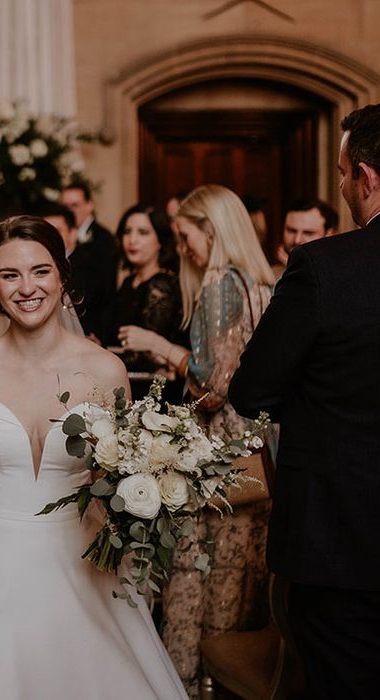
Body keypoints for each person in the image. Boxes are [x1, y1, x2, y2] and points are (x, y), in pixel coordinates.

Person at [0, 215, 188, 699]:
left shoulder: (107, 371)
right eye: (9, 275)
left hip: (83, 561)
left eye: (40, 271)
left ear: (63, 276)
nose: (27, 288)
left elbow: (124, 478)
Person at [229, 104, 380, 699]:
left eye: (343, 173)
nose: (342, 185)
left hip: (339, 534)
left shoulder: (324, 266)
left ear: (366, 178)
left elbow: (252, 388)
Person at [117, 184, 275, 696]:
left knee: (194, 576)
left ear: (212, 229)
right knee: (238, 575)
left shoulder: (220, 285)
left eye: (187, 237)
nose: (183, 248)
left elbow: (214, 385)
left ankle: (186, 684)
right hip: (258, 448)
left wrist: (163, 348)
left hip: (219, 451)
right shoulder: (260, 282)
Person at [105, 204, 182, 401]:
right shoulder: (129, 283)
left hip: (153, 395)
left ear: (160, 241)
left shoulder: (162, 285)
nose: (132, 240)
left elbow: (149, 358)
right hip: (126, 386)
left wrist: (99, 355)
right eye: (127, 232)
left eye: (143, 232)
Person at [41, 202, 110, 341]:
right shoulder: (39, 266)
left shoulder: (88, 267)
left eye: (56, 231)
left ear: (73, 234)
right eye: (44, 233)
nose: (48, 238)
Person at [60, 182, 118, 337]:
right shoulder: (61, 237)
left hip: (92, 324)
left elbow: (107, 292)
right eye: (65, 207)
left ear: (89, 205)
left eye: (75, 205)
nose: (70, 211)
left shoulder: (104, 239)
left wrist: (99, 334)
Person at [271, 197, 338, 278]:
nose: (297, 240)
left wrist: (297, 269)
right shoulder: (268, 276)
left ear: (329, 234)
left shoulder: (341, 272)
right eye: (291, 230)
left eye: (308, 233)